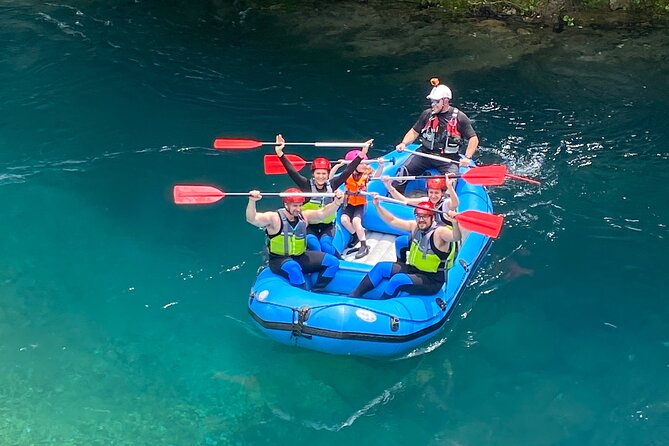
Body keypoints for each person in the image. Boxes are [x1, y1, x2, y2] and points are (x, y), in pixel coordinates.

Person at [274, 134, 372, 256]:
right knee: (315, 245)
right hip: (310, 226)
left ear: (328, 174)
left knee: (326, 246)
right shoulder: (306, 186)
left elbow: (348, 171)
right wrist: (280, 153)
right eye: (318, 173)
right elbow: (292, 171)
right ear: (313, 174)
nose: (321, 176)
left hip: (327, 226)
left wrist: (362, 154)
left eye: (324, 173)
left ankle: (337, 261)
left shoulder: (333, 184)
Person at [349, 197, 461, 299]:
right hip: (413, 269)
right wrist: (378, 206)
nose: (421, 220)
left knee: (397, 280)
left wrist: (455, 223)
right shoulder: (414, 226)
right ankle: (354, 296)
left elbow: (456, 237)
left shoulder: (440, 232)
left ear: (432, 217)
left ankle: (380, 305)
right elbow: (392, 220)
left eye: (425, 216)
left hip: (431, 280)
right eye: (418, 216)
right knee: (380, 267)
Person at [246, 187, 345, 290]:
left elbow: (322, 214)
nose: (298, 209)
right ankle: (301, 295)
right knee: (294, 268)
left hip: (301, 257)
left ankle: (317, 289)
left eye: (300, 205)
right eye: (294, 206)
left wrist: (337, 203)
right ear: (286, 205)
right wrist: (252, 201)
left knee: (333, 262)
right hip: (279, 259)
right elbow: (252, 219)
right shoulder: (274, 218)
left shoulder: (304, 216)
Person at [394, 77, 479, 192]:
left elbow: (473, 139)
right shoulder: (427, 114)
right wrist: (404, 143)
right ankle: (393, 199)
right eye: (432, 101)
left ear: (445, 101)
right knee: (402, 172)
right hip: (425, 154)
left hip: (448, 159)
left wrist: (468, 157)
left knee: (451, 183)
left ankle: (443, 206)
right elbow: (414, 132)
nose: (433, 105)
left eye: (436, 102)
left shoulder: (460, 117)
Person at [382, 175, 459, 263]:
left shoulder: (446, 204)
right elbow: (404, 200)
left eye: (436, 193)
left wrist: (450, 187)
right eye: (431, 192)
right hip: (426, 233)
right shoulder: (426, 200)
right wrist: (389, 186)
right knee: (400, 242)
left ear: (442, 193)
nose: (433, 196)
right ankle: (401, 265)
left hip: (442, 239)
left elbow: (455, 203)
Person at [332, 150, 384, 259]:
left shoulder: (367, 173)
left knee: (356, 221)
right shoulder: (347, 174)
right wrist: (338, 166)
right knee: (344, 220)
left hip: (360, 204)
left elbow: (377, 176)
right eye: (362, 163)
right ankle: (355, 235)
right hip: (349, 203)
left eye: (365, 163)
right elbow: (331, 178)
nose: (365, 165)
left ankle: (364, 245)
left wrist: (381, 166)